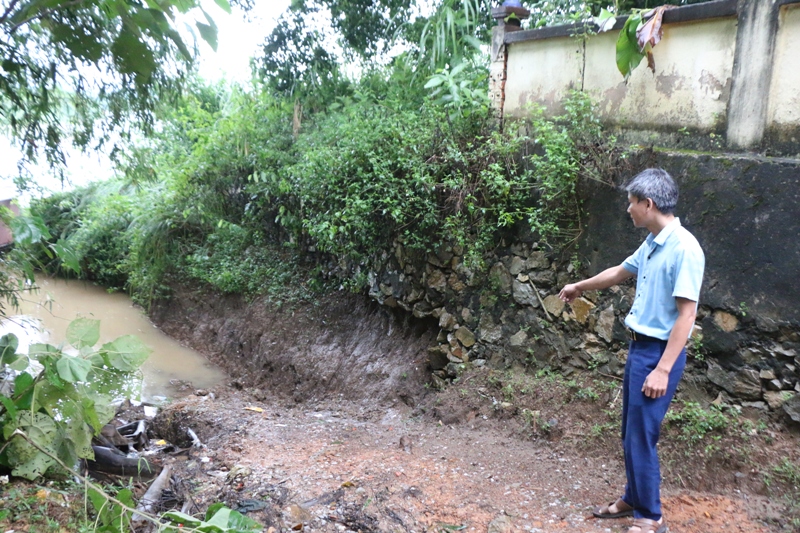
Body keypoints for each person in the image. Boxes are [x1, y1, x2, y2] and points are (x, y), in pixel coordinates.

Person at [558, 168, 705, 533]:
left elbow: (687, 315)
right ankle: (632, 497)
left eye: (631, 203)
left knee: (642, 434)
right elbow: (619, 271)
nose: (628, 210)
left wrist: (663, 369)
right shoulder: (654, 241)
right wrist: (580, 285)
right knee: (631, 430)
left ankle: (650, 516)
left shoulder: (684, 248)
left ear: (648, 203)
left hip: (658, 354)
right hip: (640, 350)